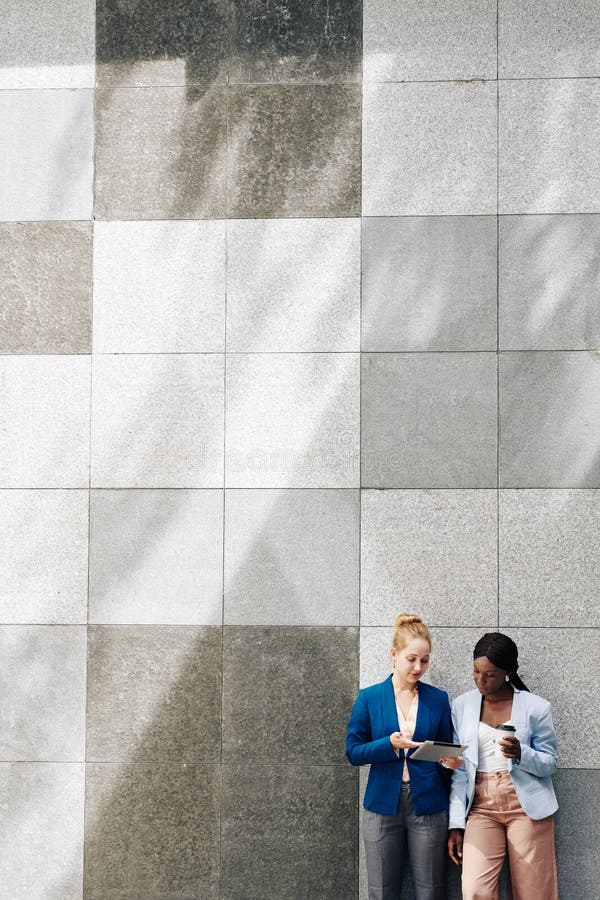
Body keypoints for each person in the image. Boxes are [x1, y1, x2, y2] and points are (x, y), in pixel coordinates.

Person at [346, 614, 461, 900]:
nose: (418, 667)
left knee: (431, 891)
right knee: (382, 891)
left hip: (429, 805)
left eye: (424, 660)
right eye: (411, 659)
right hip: (382, 805)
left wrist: (451, 763)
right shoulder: (369, 698)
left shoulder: (438, 699)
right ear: (393, 655)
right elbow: (353, 752)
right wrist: (388, 744)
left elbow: (445, 748)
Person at [447, 632, 559, 900]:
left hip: (526, 808)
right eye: (476, 671)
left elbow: (550, 763)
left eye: (490, 674)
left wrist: (522, 753)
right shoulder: (462, 705)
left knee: (533, 893)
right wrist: (455, 823)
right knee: (475, 890)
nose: (480, 680)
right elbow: (460, 771)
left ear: (507, 672)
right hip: (480, 808)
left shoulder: (536, 707)